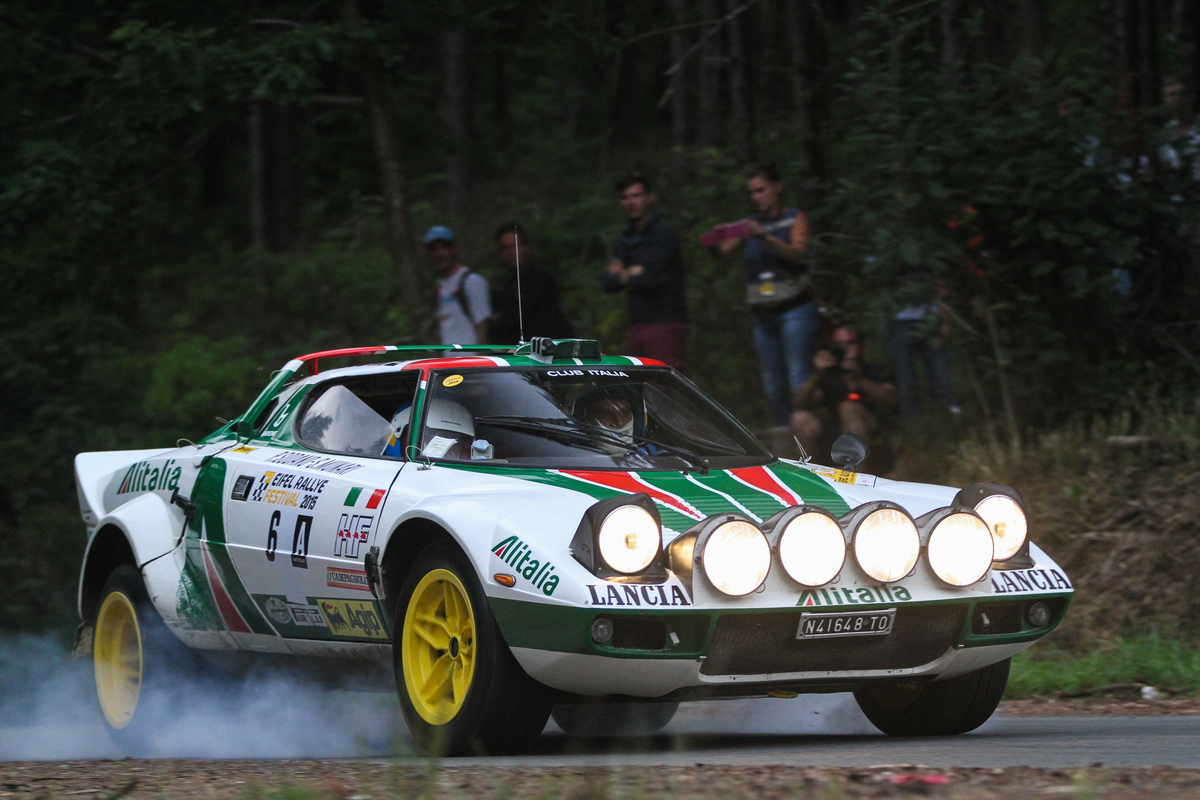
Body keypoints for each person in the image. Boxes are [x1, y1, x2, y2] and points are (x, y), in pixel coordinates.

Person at [706, 164, 818, 428]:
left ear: (777, 188)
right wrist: (715, 238)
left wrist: (766, 237)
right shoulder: (749, 225)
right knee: (773, 386)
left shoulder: (794, 217)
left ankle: (811, 442)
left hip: (795, 309)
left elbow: (799, 253)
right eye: (752, 193)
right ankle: (786, 445)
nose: (756, 197)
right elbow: (721, 251)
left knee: (798, 379)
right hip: (763, 314)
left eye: (761, 190)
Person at [603, 173, 689, 371]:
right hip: (638, 322)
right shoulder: (627, 238)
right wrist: (632, 272)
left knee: (661, 385)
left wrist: (624, 273)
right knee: (642, 386)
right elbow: (608, 282)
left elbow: (650, 279)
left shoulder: (662, 233)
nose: (630, 202)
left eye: (636, 196)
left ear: (649, 198)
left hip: (664, 321)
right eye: (625, 197)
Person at [791, 325, 895, 460]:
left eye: (850, 343)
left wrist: (858, 379)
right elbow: (800, 403)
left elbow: (892, 399)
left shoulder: (874, 372)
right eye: (839, 345)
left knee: (848, 408)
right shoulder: (829, 376)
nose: (845, 349)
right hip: (835, 433)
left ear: (861, 345)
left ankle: (856, 475)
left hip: (874, 434)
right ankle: (809, 475)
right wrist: (817, 375)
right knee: (800, 418)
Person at [488, 223, 576, 344]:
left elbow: (517, 319)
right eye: (506, 248)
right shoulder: (509, 284)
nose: (511, 252)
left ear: (526, 247)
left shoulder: (540, 278)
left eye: (516, 246)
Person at [425, 225, 491, 345]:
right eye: (434, 249)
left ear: (454, 248)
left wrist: (482, 361)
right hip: (447, 362)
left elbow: (483, 329)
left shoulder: (472, 281)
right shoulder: (438, 286)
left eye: (444, 247)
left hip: (470, 361)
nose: (439, 254)